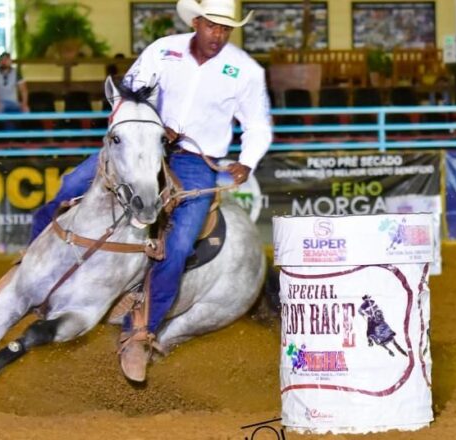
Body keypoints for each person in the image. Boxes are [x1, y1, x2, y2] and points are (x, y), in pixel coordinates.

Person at [26, 0, 272, 382]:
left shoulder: (245, 71)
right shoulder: (162, 50)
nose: (219, 35)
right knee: (68, 188)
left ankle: (141, 332)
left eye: (226, 29)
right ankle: (30, 272)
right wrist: (154, 122)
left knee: (178, 245)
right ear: (198, 22)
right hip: (143, 144)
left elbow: (257, 125)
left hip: (195, 161)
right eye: (213, 26)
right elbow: (129, 94)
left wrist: (248, 160)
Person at [0, 52, 29, 130]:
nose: (4, 62)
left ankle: (21, 136)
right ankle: (8, 135)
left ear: (10, 61)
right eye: (2, 60)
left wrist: (24, 104)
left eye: (6, 60)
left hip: (14, 102)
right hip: (0, 103)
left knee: (25, 111)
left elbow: (23, 90)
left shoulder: (16, 73)